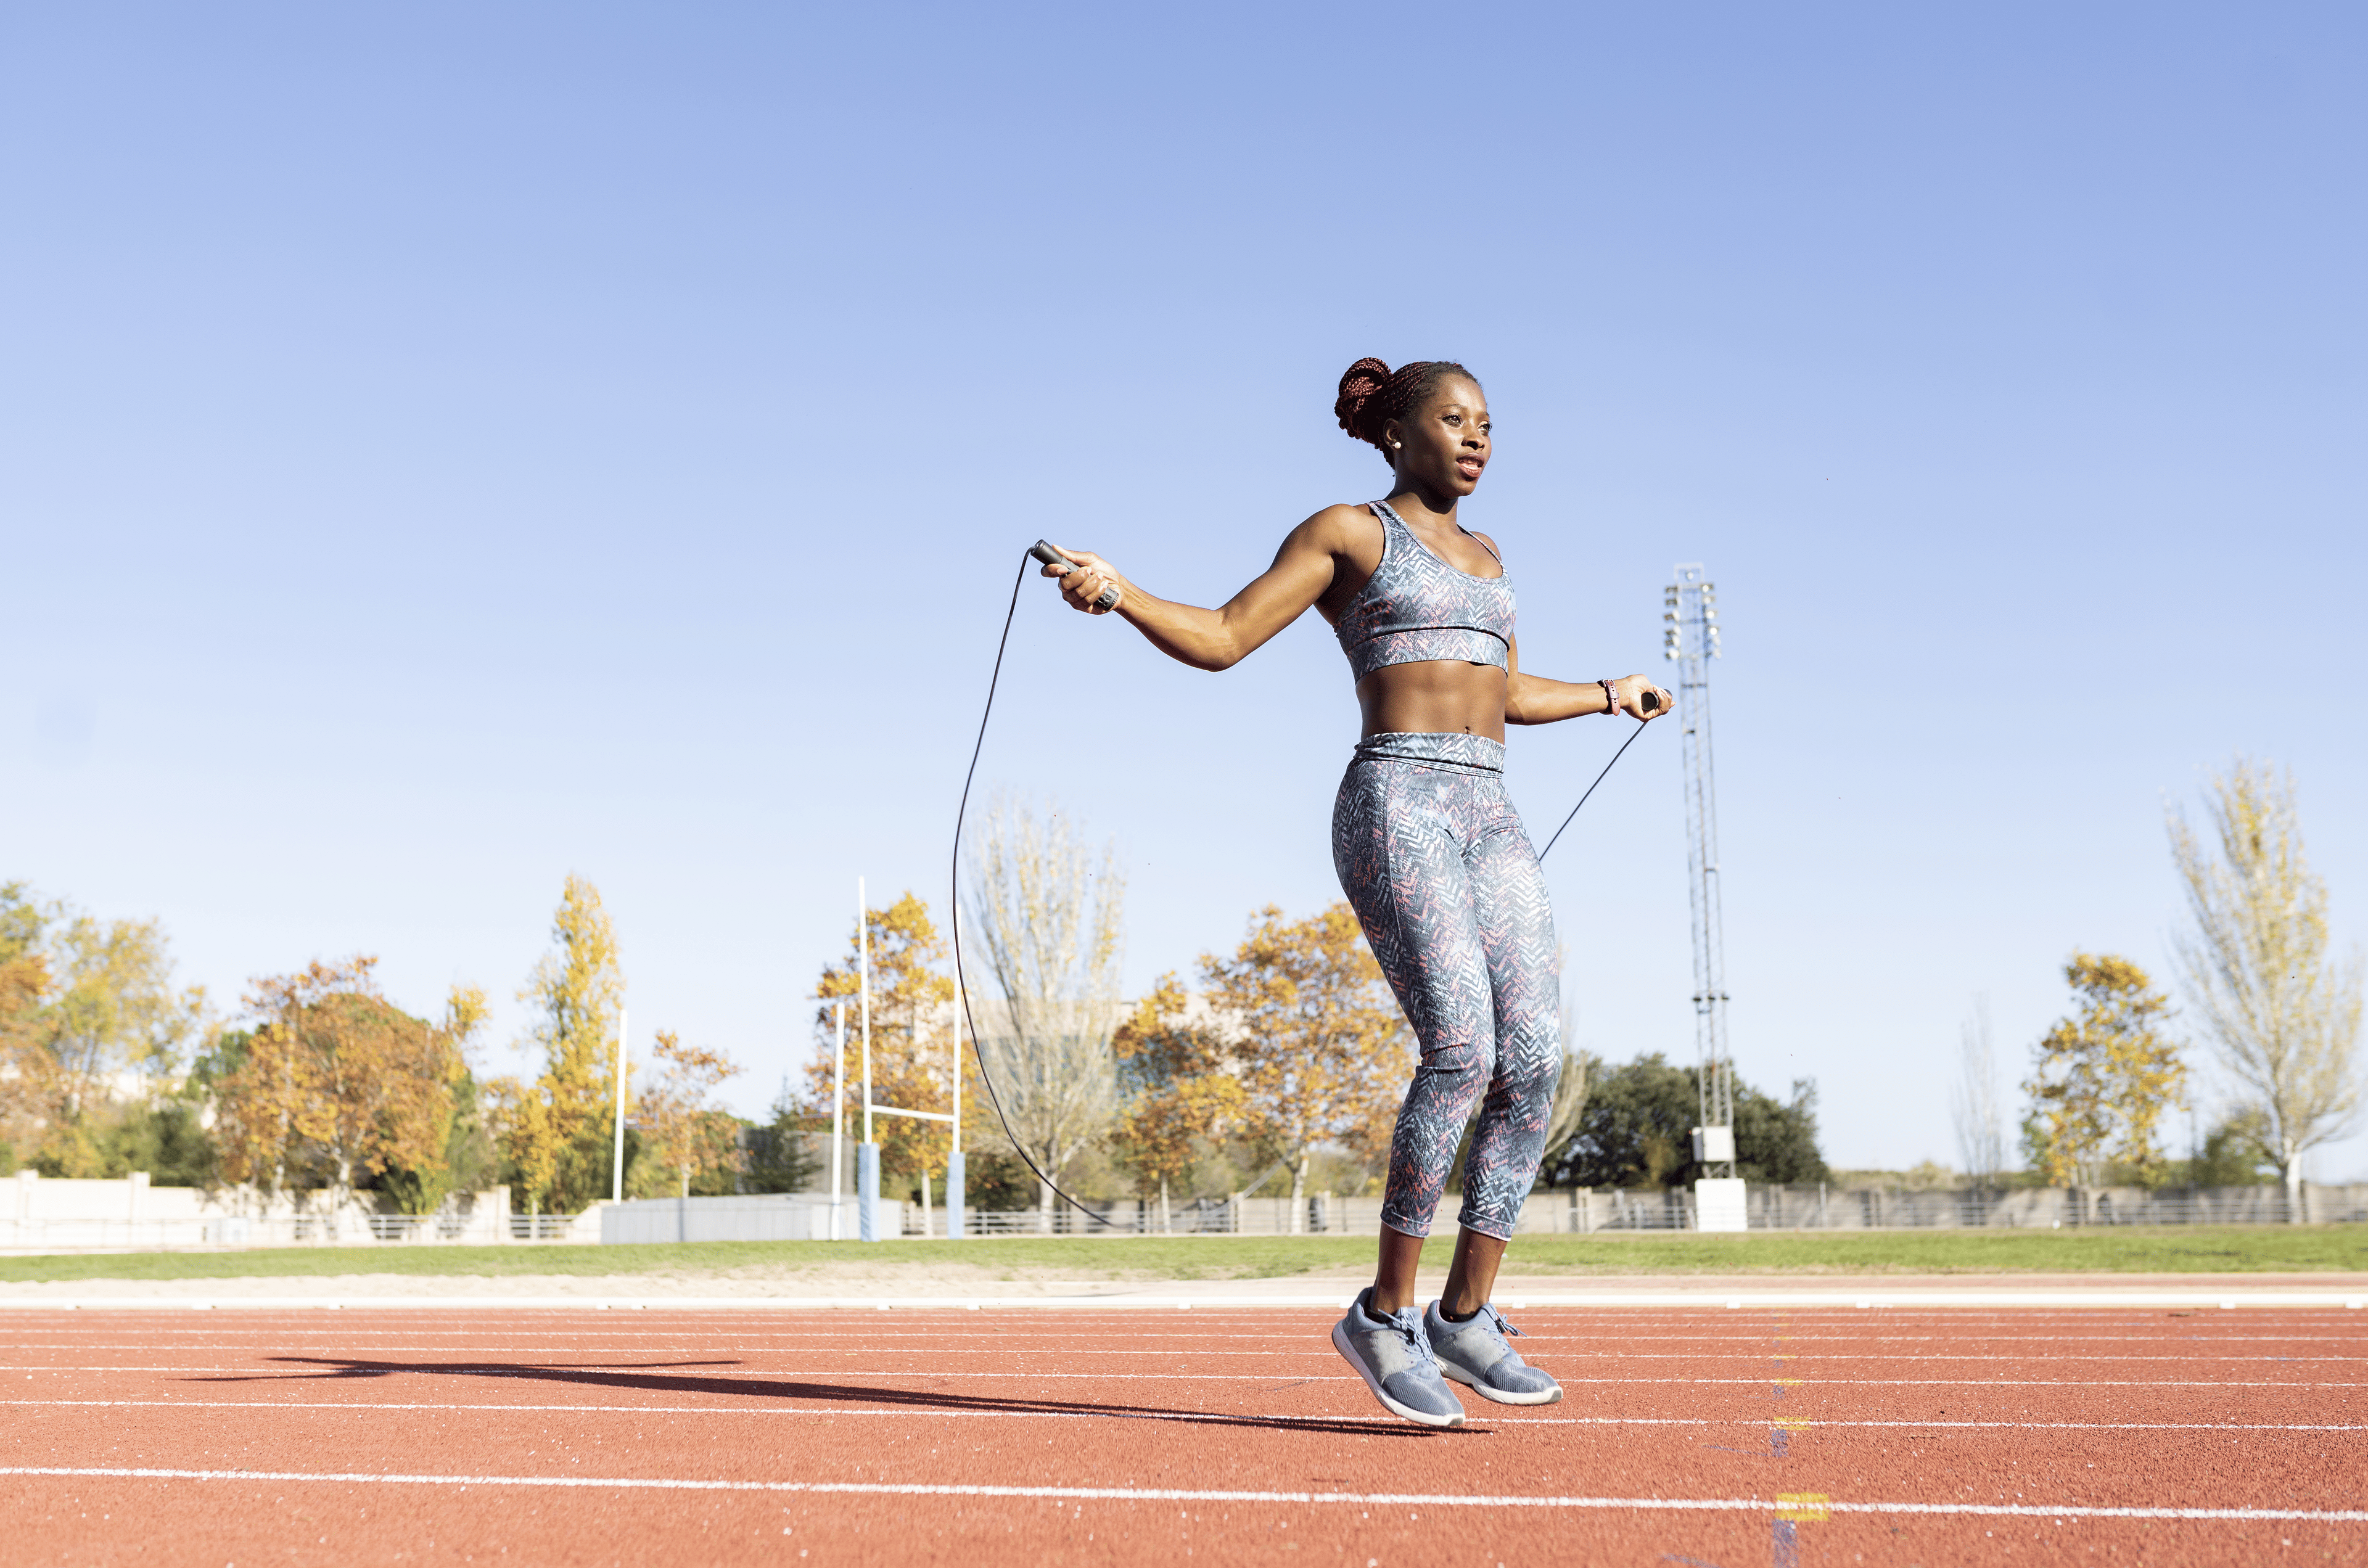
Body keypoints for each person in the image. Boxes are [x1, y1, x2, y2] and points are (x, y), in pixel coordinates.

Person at [1040, 358, 1672, 1428]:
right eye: (1453, 419)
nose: (1476, 439)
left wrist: (1611, 692)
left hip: (1491, 810)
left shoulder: (1489, 556)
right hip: (1397, 801)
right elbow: (1228, 636)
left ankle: (1465, 1317)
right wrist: (1122, 592)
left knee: (1534, 1062)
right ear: (1398, 432)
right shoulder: (1350, 532)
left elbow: (1504, 690)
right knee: (1462, 1050)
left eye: (1486, 424)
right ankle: (1385, 1314)